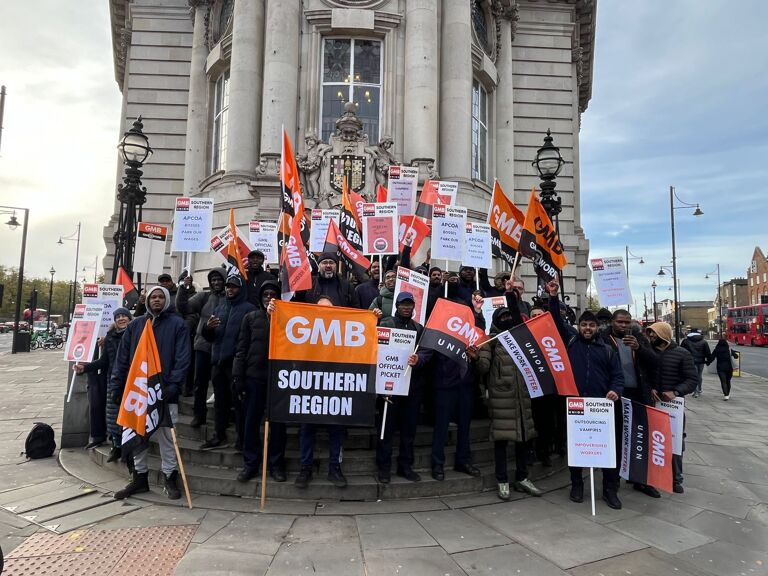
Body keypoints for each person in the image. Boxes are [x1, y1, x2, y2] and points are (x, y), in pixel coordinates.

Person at [546, 280, 625, 510]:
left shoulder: (608, 350)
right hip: (576, 406)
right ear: (579, 327)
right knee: (577, 448)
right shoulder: (570, 342)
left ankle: (610, 489)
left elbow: (617, 376)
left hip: (602, 407)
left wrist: (615, 391)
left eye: (591, 325)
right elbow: (556, 323)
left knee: (607, 449)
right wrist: (553, 296)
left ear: (597, 327)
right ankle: (576, 485)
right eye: (584, 325)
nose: (588, 329)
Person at [112, 286, 191, 500]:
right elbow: (123, 357)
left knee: (167, 437)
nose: (156, 300)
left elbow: (183, 359)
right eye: (153, 297)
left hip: (166, 392)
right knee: (138, 433)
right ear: (148, 301)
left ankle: (170, 477)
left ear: (166, 300)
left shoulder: (178, 325)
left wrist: (173, 385)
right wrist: (117, 385)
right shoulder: (136, 325)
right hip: (138, 391)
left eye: (160, 297)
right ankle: (139, 478)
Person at [476, 301, 543, 500]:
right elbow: (483, 369)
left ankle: (522, 478)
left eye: (508, 316)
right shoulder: (490, 341)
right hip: (501, 399)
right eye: (502, 317)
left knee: (524, 438)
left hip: (522, 397)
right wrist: (475, 358)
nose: (506, 319)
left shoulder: (521, 340)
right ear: (496, 320)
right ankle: (502, 480)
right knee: (501, 442)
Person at [600, 309, 660, 498]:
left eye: (627, 322)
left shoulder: (638, 338)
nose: (624, 326)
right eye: (620, 322)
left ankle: (639, 479)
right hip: (614, 396)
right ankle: (612, 483)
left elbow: (655, 362)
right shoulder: (602, 338)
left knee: (639, 438)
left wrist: (639, 349)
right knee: (616, 439)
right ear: (612, 322)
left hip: (637, 394)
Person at [232, 279, 287, 482]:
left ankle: (276, 464)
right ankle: (251, 463)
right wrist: (238, 376)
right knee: (250, 423)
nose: (269, 298)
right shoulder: (250, 318)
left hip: (279, 381)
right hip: (254, 378)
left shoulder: (287, 320)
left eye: (273, 295)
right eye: (266, 295)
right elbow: (241, 348)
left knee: (278, 426)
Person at [376, 292, 430, 483]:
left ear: (414, 307)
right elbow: (375, 351)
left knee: (409, 431)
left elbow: (426, 352)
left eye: (410, 304)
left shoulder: (419, 328)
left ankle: (405, 466)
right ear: (397, 305)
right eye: (403, 304)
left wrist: (419, 359)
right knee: (386, 430)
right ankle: (383, 467)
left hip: (412, 387)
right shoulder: (385, 324)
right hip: (389, 388)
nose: (407, 307)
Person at [295, 296, 349, 489]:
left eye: (329, 309)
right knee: (307, 430)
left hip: (334, 389)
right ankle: (305, 468)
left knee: (336, 430)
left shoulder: (343, 332)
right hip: (310, 389)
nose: (324, 312)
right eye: (321, 309)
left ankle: (335, 468)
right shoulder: (305, 331)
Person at [201, 275, 256, 450]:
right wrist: (206, 329)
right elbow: (210, 336)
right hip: (218, 362)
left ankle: (241, 439)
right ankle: (219, 434)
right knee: (220, 402)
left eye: (234, 287)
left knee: (239, 404)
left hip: (236, 364)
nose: (229, 289)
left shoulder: (249, 310)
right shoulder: (220, 307)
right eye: (228, 287)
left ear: (241, 289)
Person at [646, 321, 698, 493]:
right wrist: (650, 388)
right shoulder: (649, 352)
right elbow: (644, 374)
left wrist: (676, 392)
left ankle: (676, 479)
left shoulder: (682, 354)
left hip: (673, 406)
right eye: (650, 333)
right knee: (652, 440)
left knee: (675, 441)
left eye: (654, 333)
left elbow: (692, 380)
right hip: (652, 404)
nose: (651, 336)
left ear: (663, 334)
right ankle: (652, 476)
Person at [75, 307, 132, 461]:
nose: (121, 319)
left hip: (130, 380)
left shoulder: (135, 334)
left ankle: (128, 447)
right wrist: (85, 367)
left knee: (128, 416)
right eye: (118, 316)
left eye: (124, 316)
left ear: (129, 318)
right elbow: (103, 361)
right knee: (113, 416)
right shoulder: (110, 336)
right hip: (113, 381)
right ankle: (116, 446)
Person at [176, 267, 227, 428]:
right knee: (200, 382)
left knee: (221, 384)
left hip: (221, 346)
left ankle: (222, 418)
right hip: (203, 346)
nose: (216, 282)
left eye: (219, 279)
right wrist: (183, 289)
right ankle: (199, 414)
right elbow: (183, 307)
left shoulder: (230, 297)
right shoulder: (203, 297)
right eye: (213, 280)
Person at [681, 328, 711, 398]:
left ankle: (696, 392)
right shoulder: (704, 341)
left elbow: (681, 351)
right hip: (701, 361)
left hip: (691, 361)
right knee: (699, 375)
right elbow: (707, 352)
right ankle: (699, 389)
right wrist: (708, 361)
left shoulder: (686, 341)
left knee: (694, 376)